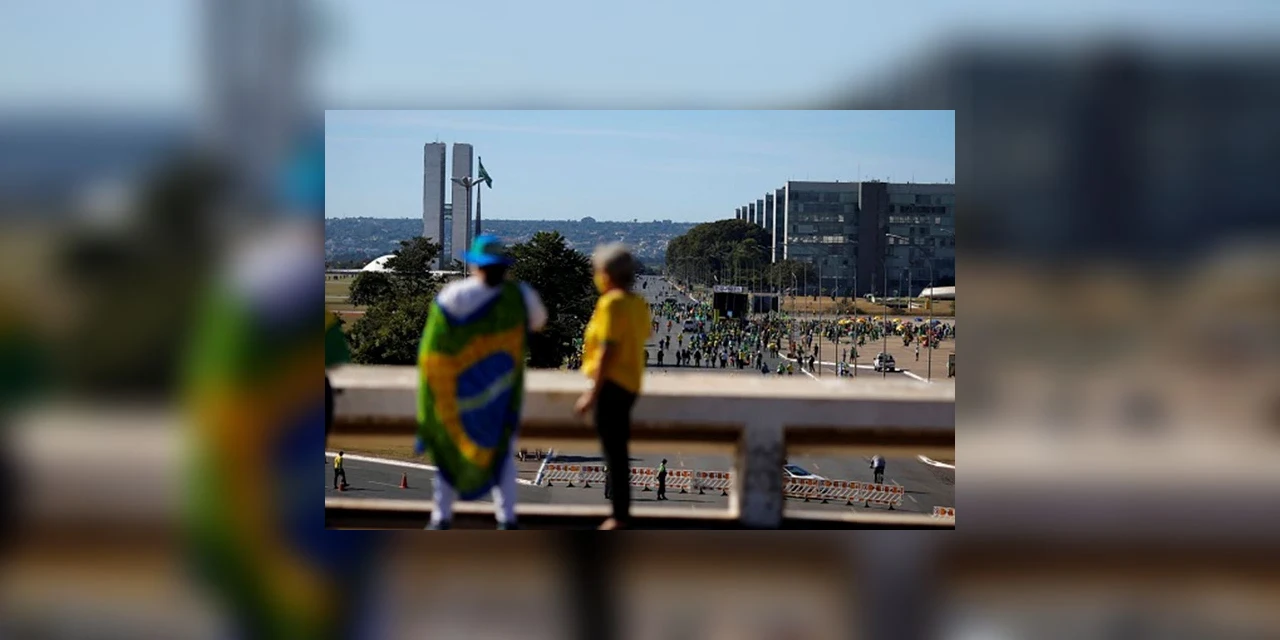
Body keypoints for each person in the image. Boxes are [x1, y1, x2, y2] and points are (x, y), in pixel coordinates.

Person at [416, 234, 548, 530]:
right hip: (501, 392)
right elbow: (539, 322)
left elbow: (432, 348)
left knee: (450, 451)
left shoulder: (454, 296)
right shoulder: (521, 296)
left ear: (475, 266)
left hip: (458, 391)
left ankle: (441, 516)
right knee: (502, 456)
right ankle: (507, 518)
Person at [576, 243, 650, 530]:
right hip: (631, 383)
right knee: (617, 451)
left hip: (611, 385)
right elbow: (645, 332)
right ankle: (620, 513)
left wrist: (591, 393)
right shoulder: (637, 303)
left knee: (615, 454)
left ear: (606, 275)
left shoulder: (610, 304)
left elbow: (607, 348)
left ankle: (620, 516)